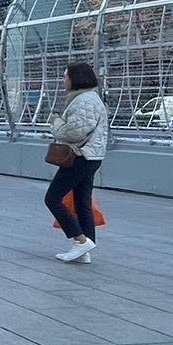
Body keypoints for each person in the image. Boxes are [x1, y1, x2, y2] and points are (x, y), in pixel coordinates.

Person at [45, 61, 108, 264]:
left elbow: (74, 132)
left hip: (80, 156)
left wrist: (55, 122)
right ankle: (84, 249)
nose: (64, 80)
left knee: (52, 199)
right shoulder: (90, 98)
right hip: (92, 156)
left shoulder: (84, 100)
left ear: (76, 78)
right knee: (82, 203)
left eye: (66, 76)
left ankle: (80, 241)